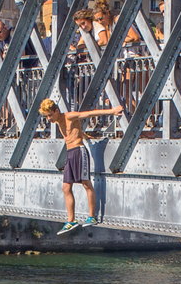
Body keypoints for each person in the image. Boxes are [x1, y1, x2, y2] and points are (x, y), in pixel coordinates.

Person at [39, 98, 124, 233]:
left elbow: (89, 114)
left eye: (50, 115)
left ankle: (92, 217)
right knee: (66, 187)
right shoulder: (58, 122)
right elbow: (74, 131)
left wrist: (112, 111)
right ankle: (71, 220)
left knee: (86, 183)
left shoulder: (69, 116)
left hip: (79, 151)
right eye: (46, 116)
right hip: (70, 153)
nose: (48, 118)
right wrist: (84, 135)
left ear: (56, 111)